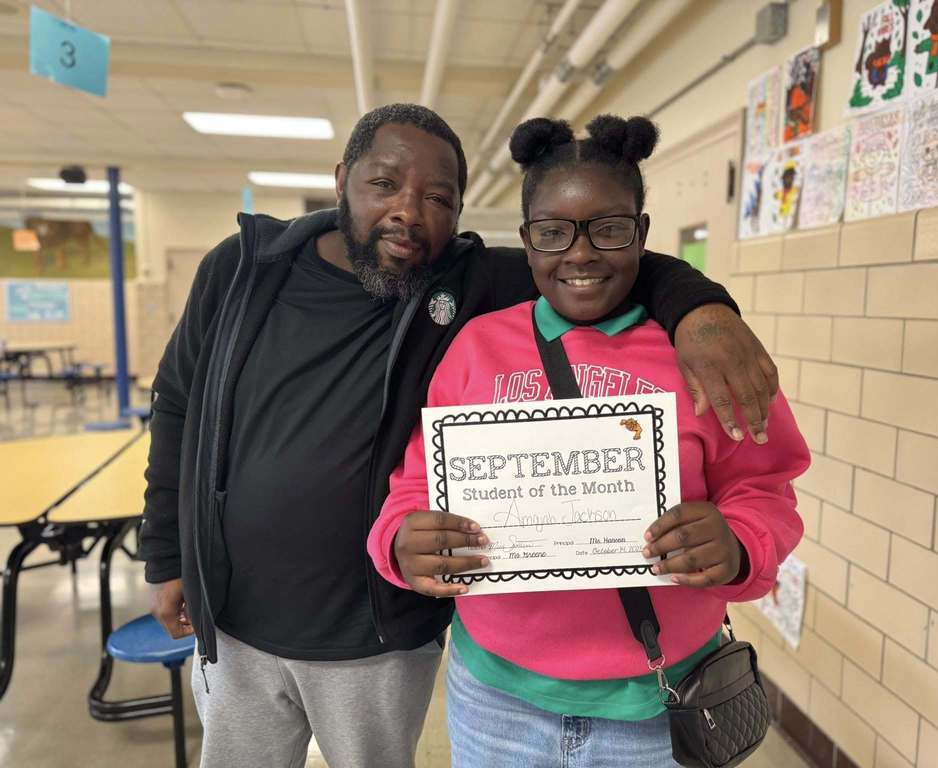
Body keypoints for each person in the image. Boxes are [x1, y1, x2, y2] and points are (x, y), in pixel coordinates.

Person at [140, 103, 778, 768]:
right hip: (237, 615)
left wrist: (703, 309)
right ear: (341, 180)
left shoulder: (469, 283)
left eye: (437, 197)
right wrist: (167, 555)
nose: (409, 213)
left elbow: (597, 260)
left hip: (377, 634)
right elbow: (178, 405)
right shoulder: (245, 268)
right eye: (384, 184)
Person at [368, 115, 810, 767]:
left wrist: (739, 542)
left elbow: (764, 488)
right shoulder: (476, 348)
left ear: (642, 233)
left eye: (608, 228)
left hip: (658, 709)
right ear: (527, 241)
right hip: (496, 700)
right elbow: (415, 482)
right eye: (553, 232)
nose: (580, 254)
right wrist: (401, 539)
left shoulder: (704, 355)